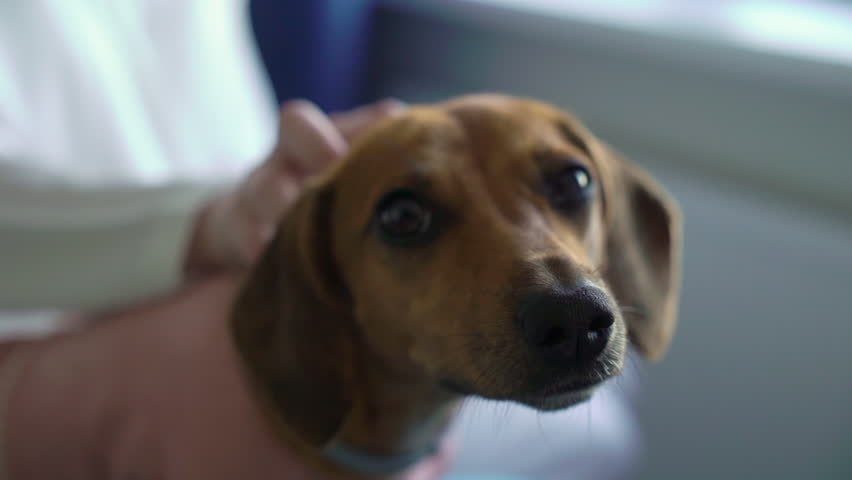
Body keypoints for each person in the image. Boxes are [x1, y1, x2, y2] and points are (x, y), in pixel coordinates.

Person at [0, 2, 640, 479]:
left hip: (230, 250)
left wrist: (270, 190)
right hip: (43, 321)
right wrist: (209, 219)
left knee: (606, 419)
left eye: (568, 185)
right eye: (408, 219)